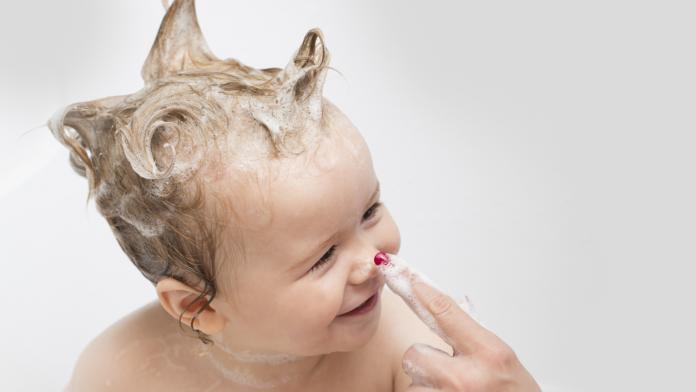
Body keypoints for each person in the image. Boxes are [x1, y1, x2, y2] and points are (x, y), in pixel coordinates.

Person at [51, 1, 540, 390]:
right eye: (323, 256)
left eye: (370, 211)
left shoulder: (408, 356)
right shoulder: (121, 371)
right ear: (200, 309)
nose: (373, 259)